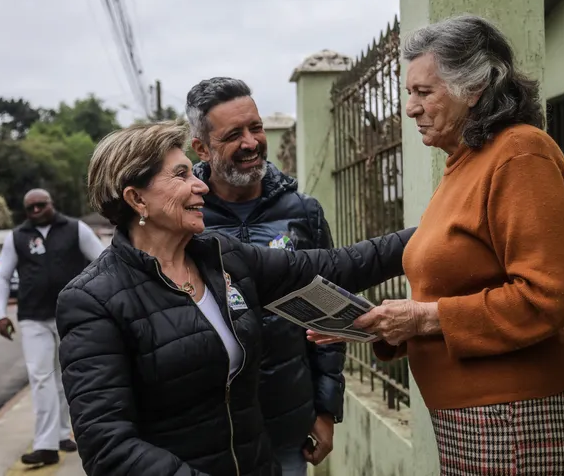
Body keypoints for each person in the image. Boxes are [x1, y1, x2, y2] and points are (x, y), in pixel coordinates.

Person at [308, 15, 564, 475]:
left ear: (474, 88)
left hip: (514, 419)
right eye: (409, 94)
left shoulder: (520, 154)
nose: (410, 109)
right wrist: (381, 326)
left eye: (424, 92)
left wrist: (421, 319)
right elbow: (452, 295)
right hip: (478, 420)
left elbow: (550, 297)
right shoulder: (464, 163)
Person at [56, 121, 413, 476]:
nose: (200, 185)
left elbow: (339, 265)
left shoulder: (223, 257)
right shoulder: (92, 300)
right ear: (136, 198)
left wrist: (436, 232)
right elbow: (107, 447)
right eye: (181, 175)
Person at [186, 77, 345, 473]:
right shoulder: (185, 217)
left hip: (287, 423)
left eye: (255, 127)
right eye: (233, 134)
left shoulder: (303, 213)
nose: (251, 143)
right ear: (202, 148)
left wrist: (326, 410)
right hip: (207, 432)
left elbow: (327, 313)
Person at [0, 189, 105, 466]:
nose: (36, 211)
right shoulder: (17, 236)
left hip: (72, 314)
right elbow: (2, 276)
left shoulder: (76, 229)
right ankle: (46, 445)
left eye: (41, 205)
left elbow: (104, 261)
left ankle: (63, 433)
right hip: (33, 317)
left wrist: (101, 302)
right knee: (41, 377)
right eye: (30, 208)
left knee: (66, 377)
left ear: (52, 204)